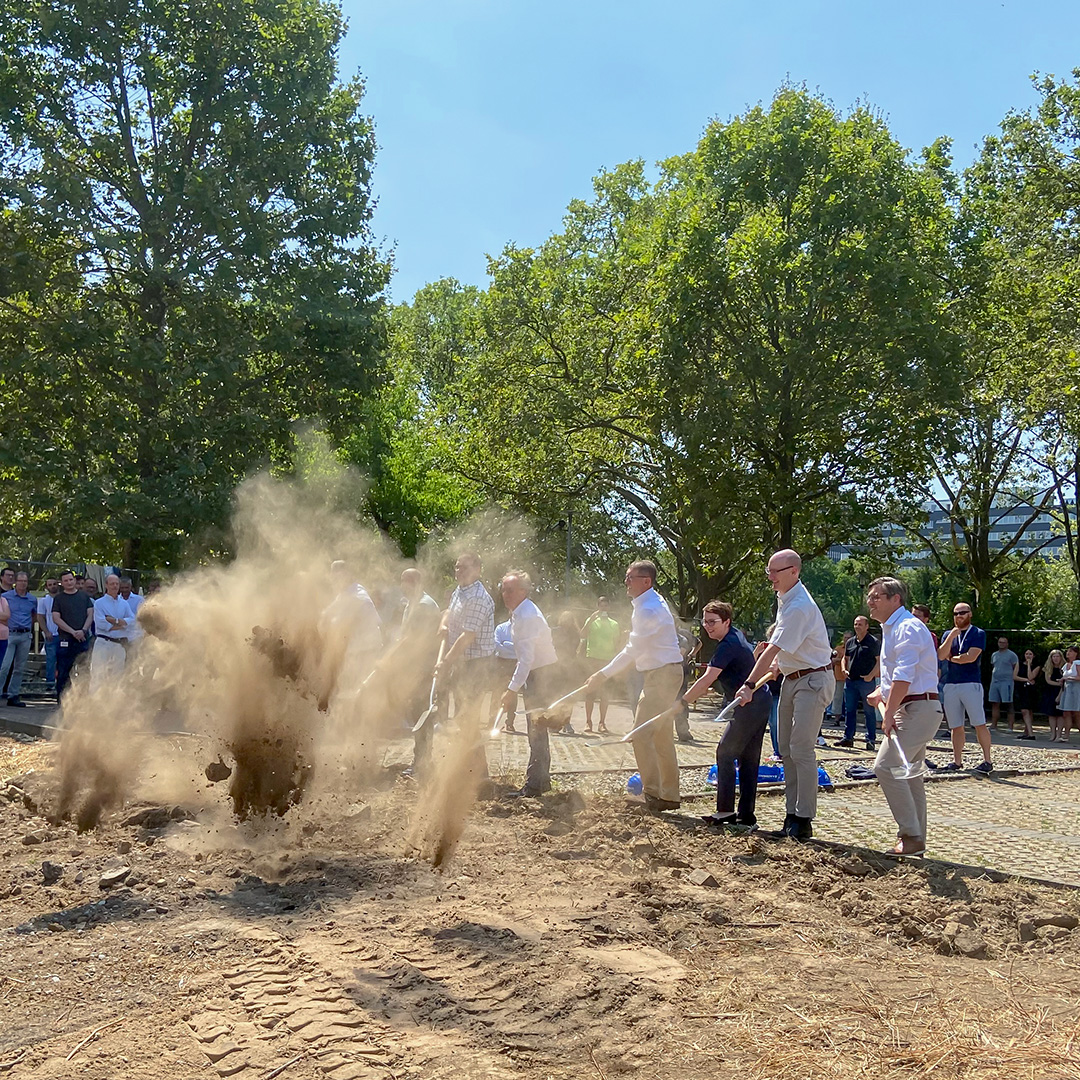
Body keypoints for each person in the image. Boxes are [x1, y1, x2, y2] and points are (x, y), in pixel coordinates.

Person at [734, 550, 834, 840]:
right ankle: (792, 814)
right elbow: (785, 650)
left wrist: (749, 684)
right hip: (793, 678)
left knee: (801, 748)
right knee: (787, 750)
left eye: (775, 571)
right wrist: (780, 665)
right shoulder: (785, 599)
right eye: (768, 571)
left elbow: (772, 649)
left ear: (794, 571)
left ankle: (803, 819)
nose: (771, 577)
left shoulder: (799, 606)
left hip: (813, 680)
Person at [584, 560, 684, 812]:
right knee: (661, 736)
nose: (626, 581)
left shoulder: (648, 609)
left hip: (662, 677)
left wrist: (602, 675)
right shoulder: (648, 603)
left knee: (639, 734)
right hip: (662, 674)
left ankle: (652, 794)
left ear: (646, 581)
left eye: (631, 577)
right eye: (627, 576)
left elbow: (632, 650)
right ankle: (668, 795)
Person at [865, 577, 943, 858]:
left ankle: (910, 836)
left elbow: (905, 676)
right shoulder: (892, 628)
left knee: (886, 767)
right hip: (914, 707)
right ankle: (915, 841)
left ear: (895, 599)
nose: (870, 601)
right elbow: (899, 677)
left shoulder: (907, 627)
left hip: (917, 710)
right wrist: (882, 693)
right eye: (869, 596)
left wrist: (888, 713)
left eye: (877, 596)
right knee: (909, 775)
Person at [682, 601, 771, 832]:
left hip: (751, 703)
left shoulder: (727, 645)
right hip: (759, 701)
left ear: (726, 622)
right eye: (705, 622)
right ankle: (746, 817)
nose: (707, 626)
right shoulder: (734, 637)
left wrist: (682, 702)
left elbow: (707, 678)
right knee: (748, 759)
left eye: (712, 622)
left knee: (725, 752)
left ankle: (725, 811)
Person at [433, 552, 497, 780]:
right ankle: (468, 768)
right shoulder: (460, 591)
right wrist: (443, 624)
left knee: (468, 718)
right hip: (463, 662)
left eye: (465, 567)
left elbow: (467, 637)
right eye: (457, 567)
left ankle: (479, 775)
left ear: (478, 570)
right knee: (463, 718)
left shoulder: (478, 597)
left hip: (478, 665)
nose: (459, 571)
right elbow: (449, 611)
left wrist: (445, 662)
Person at [499, 572, 560, 797]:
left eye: (510, 590)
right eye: (503, 590)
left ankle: (535, 785)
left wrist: (511, 690)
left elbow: (526, 660)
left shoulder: (527, 616)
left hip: (541, 675)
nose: (505, 594)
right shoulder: (520, 613)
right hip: (538, 673)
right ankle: (540, 782)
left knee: (536, 730)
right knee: (536, 730)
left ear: (523, 591)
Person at [937, 602, 993, 773]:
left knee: (979, 723)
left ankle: (987, 760)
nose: (958, 616)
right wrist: (951, 637)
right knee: (955, 725)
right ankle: (957, 761)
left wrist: (952, 658)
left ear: (970, 614)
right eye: (955, 613)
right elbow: (941, 655)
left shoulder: (978, 633)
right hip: (951, 684)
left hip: (970, 683)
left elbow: (970, 657)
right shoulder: (948, 634)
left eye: (962, 613)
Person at [836, 615, 880, 750]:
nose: (857, 627)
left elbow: (879, 661)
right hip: (851, 681)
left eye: (860, 624)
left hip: (866, 682)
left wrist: (870, 676)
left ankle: (870, 739)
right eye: (855, 624)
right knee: (849, 710)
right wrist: (844, 669)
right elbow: (845, 658)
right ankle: (848, 737)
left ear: (867, 626)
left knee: (869, 711)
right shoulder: (850, 642)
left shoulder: (873, 642)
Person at [52, 570, 95, 701]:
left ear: (74, 580)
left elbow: (90, 614)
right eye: (66, 580)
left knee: (84, 670)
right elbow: (56, 618)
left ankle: (82, 700)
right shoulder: (58, 599)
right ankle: (62, 701)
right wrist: (72, 631)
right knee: (64, 672)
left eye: (71, 579)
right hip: (65, 640)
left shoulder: (84, 597)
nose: (69, 582)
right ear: (61, 583)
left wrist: (83, 630)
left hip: (83, 639)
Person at [579, 596, 620, 734]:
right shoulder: (591, 621)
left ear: (609, 607)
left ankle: (602, 722)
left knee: (605, 694)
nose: (604, 608)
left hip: (608, 661)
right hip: (592, 660)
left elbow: (617, 643)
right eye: (601, 606)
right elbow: (582, 635)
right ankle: (588, 721)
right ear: (597, 607)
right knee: (590, 692)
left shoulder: (614, 624)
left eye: (606, 606)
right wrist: (591, 619)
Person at [90, 573, 136, 690]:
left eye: (116, 584)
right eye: (112, 584)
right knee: (98, 675)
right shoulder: (99, 603)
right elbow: (101, 624)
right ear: (106, 585)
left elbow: (132, 621)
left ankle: (114, 700)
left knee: (117, 676)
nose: (115, 586)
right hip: (103, 643)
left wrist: (114, 620)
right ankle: (95, 700)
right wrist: (122, 624)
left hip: (119, 645)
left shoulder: (124, 603)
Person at [0, 571, 37, 707]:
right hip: (10, 634)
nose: (23, 584)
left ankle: (13, 695)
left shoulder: (32, 599)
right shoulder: (6, 597)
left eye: (25, 581)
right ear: (15, 582)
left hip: (25, 635)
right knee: (4, 667)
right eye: (20, 581)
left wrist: (28, 629)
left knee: (19, 668)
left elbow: (34, 616)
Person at [492, 618, 518, 732]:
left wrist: (506, 644)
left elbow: (522, 647)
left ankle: (510, 722)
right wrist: (513, 647)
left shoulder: (523, 629)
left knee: (513, 692)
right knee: (497, 691)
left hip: (516, 663)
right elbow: (497, 645)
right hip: (501, 662)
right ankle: (492, 721)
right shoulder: (501, 628)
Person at [988, 636, 1019, 730]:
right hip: (995, 682)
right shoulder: (994, 654)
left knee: (1008, 704)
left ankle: (1010, 726)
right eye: (1000, 642)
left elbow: (1015, 667)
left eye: (1003, 642)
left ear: (1007, 644)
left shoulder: (1012, 655)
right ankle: (994, 725)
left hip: (1006, 682)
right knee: (994, 703)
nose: (1001, 644)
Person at [36, 577, 60, 692]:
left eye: (54, 584)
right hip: (51, 635)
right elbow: (40, 617)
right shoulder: (43, 601)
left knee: (64, 660)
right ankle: (50, 683)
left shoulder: (63, 598)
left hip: (64, 635)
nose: (52, 586)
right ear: (46, 587)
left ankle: (62, 682)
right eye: (50, 585)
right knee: (51, 660)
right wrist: (46, 631)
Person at [825, 631, 852, 730]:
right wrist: (842, 661)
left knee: (849, 700)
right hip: (839, 677)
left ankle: (849, 721)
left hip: (851, 677)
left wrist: (840, 660)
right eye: (845, 638)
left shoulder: (854, 648)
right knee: (837, 698)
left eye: (848, 638)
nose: (846, 640)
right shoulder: (838, 649)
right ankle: (836, 719)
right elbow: (832, 660)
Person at [1014, 649, 1039, 739]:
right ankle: (1027, 732)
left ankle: (1030, 733)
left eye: (1030, 654)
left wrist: (1029, 665)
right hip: (1021, 689)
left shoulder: (1037, 666)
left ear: (1034, 656)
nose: (1028, 656)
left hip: (1030, 690)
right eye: (1026, 654)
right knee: (1024, 711)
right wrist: (1026, 680)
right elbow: (1014, 676)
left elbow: (1031, 676)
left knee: (1029, 711)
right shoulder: (1019, 664)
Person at [1044, 649, 1066, 742]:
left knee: (1060, 714)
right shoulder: (1048, 668)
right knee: (1051, 714)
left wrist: (1061, 687)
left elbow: (1065, 682)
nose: (1056, 658)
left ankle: (1059, 734)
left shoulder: (1064, 668)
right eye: (1054, 656)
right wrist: (1058, 684)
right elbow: (1048, 680)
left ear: (1061, 657)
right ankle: (1052, 733)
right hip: (1051, 691)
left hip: (1062, 691)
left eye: (1057, 656)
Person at [1060, 645, 1080, 743]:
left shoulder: (1077, 663)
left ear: (1076, 653)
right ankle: (1066, 735)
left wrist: (1068, 678)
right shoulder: (1066, 665)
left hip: (1076, 689)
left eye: (1071, 651)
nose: (1068, 653)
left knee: (1077, 713)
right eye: (1068, 651)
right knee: (1066, 712)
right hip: (1067, 690)